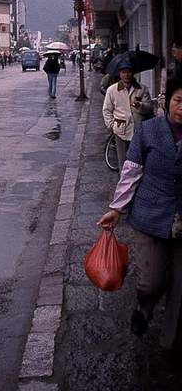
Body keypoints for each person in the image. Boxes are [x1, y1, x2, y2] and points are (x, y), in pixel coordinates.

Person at [97, 78, 182, 349]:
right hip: (150, 214)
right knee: (151, 280)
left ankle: (170, 341)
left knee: (180, 286)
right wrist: (116, 208)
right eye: (179, 101)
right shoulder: (148, 131)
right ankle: (143, 308)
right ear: (168, 100)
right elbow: (131, 171)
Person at [102, 61, 153, 171]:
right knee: (123, 162)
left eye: (129, 72)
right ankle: (123, 186)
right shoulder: (112, 90)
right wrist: (112, 126)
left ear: (133, 73)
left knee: (139, 162)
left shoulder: (142, 88)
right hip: (121, 131)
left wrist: (140, 105)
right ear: (120, 74)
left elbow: (149, 107)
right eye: (123, 72)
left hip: (139, 130)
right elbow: (107, 110)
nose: (126, 75)